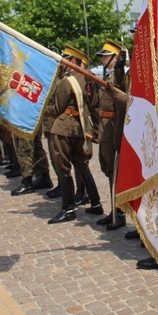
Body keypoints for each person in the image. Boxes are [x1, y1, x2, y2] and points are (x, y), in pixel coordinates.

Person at [44, 45, 103, 224]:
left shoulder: (66, 82)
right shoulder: (88, 80)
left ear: (73, 61)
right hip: (81, 129)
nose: (63, 63)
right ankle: (96, 203)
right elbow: (94, 106)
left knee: (63, 168)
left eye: (65, 60)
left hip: (63, 130)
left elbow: (56, 109)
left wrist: (40, 108)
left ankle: (68, 209)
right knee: (81, 165)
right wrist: (96, 130)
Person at [93, 39, 130, 231]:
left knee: (115, 171)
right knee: (108, 170)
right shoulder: (108, 76)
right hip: (104, 126)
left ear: (115, 58)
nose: (102, 59)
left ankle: (120, 212)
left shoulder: (119, 75)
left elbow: (122, 96)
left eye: (106, 56)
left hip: (114, 125)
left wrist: (120, 67)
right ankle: (114, 210)